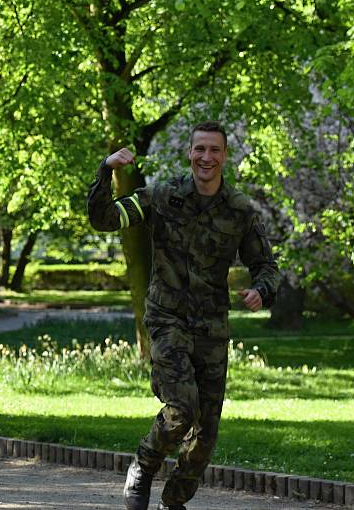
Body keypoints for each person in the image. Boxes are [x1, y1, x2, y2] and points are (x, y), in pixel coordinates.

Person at [87, 121, 280, 510]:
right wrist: (106, 170)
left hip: (211, 327)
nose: (206, 157)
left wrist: (262, 290)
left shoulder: (240, 210)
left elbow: (267, 266)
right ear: (189, 153)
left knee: (206, 432)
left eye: (214, 150)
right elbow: (104, 218)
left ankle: (173, 501)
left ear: (224, 156)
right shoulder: (161, 196)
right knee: (181, 407)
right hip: (167, 317)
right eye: (199, 149)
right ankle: (143, 464)